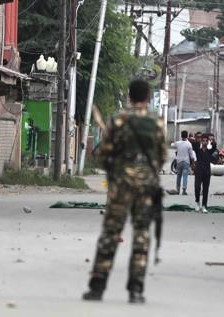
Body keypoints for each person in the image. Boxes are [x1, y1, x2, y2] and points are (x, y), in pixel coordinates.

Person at [82, 79, 166, 304]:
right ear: (148, 97)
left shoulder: (118, 120)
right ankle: (136, 289)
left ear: (129, 96)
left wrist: (115, 165)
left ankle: (97, 287)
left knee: (110, 233)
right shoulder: (156, 122)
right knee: (141, 234)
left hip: (121, 184)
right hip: (146, 185)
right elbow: (162, 156)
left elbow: (103, 154)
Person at [193, 134, 217, 213]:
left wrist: (212, 140)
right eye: (203, 141)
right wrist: (198, 139)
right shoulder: (198, 150)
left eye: (206, 141)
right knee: (197, 188)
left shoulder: (209, 152)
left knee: (205, 190)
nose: (204, 142)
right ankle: (197, 203)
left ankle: (204, 205)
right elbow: (194, 145)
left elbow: (214, 147)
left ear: (208, 142)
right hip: (198, 172)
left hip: (207, 172)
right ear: (201, 141)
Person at [173, 130, 196, 195]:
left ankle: (177, 190)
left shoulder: (177, 143)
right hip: (186, 162)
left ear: (181, 135)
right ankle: (184, 190)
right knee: (185, 176)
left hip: (179, 161)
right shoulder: (189, 144)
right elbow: (191, 155)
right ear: (187, 136)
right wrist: (193, 163)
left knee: (178, 176)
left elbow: (175, 149)